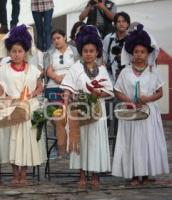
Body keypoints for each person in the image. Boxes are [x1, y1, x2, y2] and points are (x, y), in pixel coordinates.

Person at [112, 24, 169, 185]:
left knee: (147, 142)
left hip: (149, 114)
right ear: (131, 53)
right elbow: (117, 91)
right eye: (136, 52)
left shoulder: (152, 71)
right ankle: (134, 174)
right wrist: (128, 100)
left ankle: (145, 174)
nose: (139, 55)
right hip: (131, 113)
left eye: (142, 52)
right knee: (132, 142)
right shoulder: (125, 72)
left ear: (148, 53)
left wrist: (148, 99)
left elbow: (160, 93)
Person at [0, 25, 45, 185]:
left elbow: (39, 86)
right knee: (12, 142)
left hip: (28, 109)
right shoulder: (4, 69)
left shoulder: (33, 69)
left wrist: (32, 95)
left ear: (25, 51)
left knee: (26, 143)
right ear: (9, 52)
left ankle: (24, 174)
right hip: (11, 110)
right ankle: (15, 174)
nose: (16, 54)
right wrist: (4, 96)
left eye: (20, 51)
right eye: (13, 51)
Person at [61, 25, 113, 187]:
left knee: (96, 141)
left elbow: (109, 91)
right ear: (81, 52)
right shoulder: (75, 68)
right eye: (85, 51)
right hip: (80, 111)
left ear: (97, 52)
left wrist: (98, 93)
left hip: (98, 111)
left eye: (92, 51)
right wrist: (65, 106)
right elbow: (67, 90)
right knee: (81, 141)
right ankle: (82, 174)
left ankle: (96, 175)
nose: (89, 54)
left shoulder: (103, 70)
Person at [45, 29, 77, 155]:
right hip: (54, 86)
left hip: (71, 86)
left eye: (58, 38)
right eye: (53, 39)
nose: (56, 41)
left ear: (65, 37)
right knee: (57, 115)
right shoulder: (50, 53)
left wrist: (67, 79)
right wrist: (57, 78)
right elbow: (49, 70)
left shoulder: (74, 51)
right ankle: (58, 146)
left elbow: (77, 68)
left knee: (72, 114)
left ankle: (71, 145)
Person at [103, 12, 130, 83]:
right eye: (118, 21)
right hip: (111, 78)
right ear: (114, 24)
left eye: (124, 21)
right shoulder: (108, 39)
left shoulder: (132, 39)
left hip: (129, 78)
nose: (121, 24)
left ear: (128, 24)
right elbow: (104, 59)